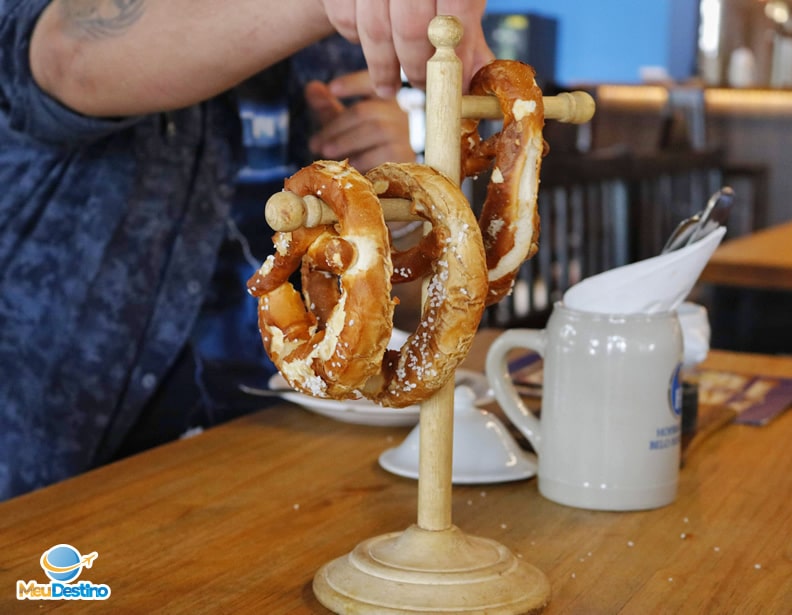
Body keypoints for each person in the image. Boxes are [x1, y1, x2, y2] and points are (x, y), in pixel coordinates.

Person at [0, 0, 494, 501]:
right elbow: (70, 56)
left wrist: (396, 208)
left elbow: (394, 308)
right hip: (56, 475)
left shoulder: (334, 51)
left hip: (284, 450)